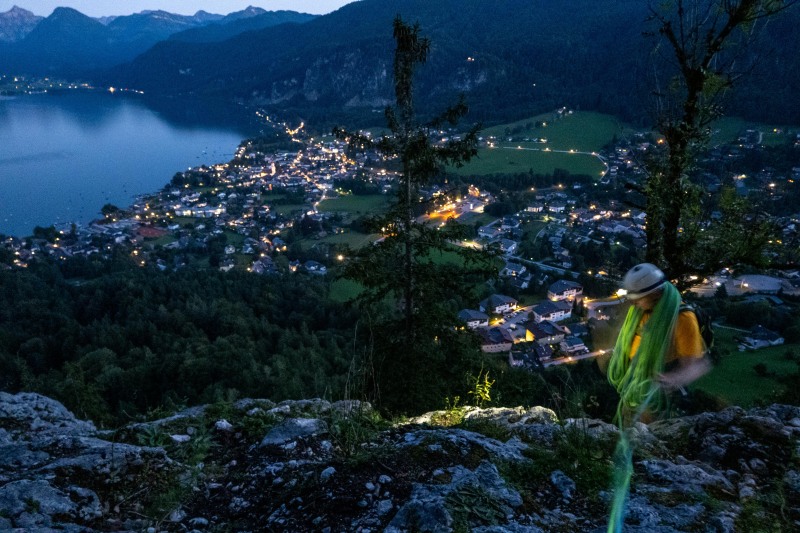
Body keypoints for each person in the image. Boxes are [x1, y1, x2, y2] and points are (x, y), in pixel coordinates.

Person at [603, 263, 711, 423]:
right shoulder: (643, 309)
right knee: (628, 424)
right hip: (636, 384)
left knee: (645, 432)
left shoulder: (683, 318)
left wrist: (673, 378)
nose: (632, 303)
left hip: (656, 393)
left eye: (637, 299)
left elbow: (697, 365)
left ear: (655, 294)